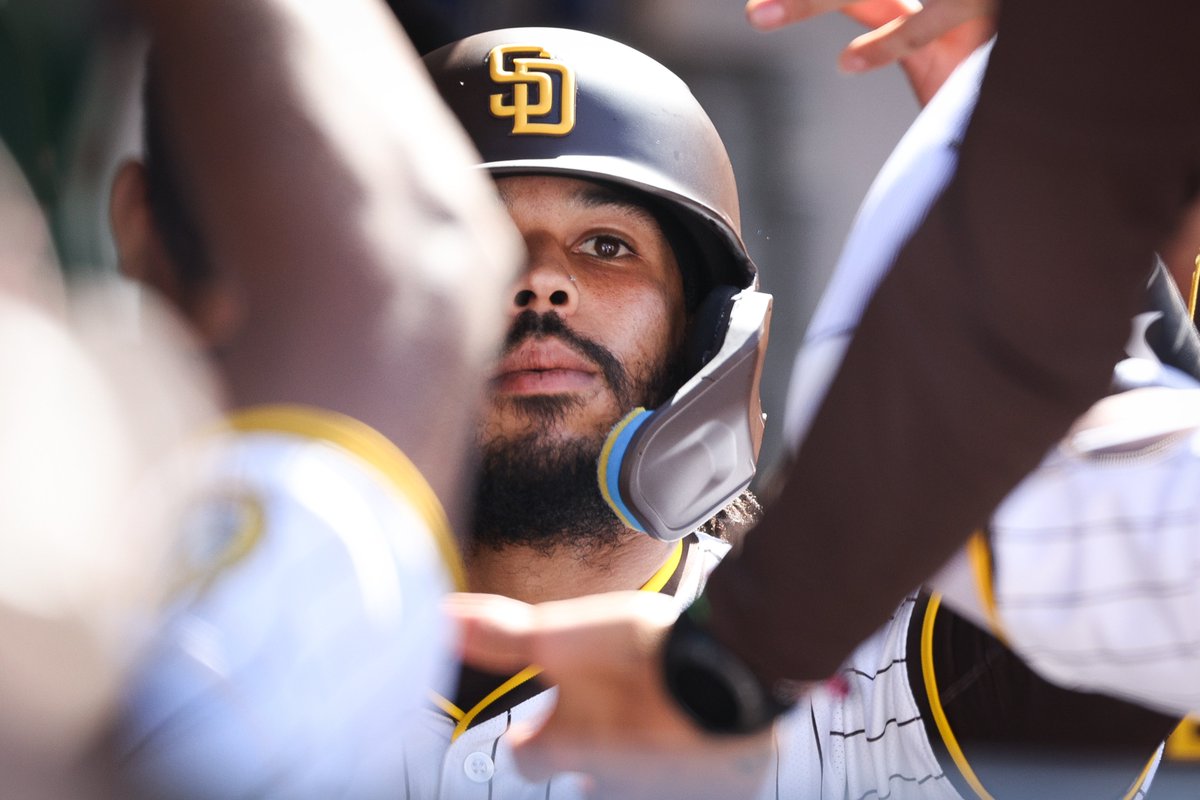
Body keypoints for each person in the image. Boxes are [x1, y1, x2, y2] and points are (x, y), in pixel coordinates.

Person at [413, 25, 1178, 800]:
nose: (542, 281)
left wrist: (1028, 147)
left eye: (606, 245)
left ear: (707, 336)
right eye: (484, 242)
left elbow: (1151, 531)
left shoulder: (898, 673)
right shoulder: (286, 642)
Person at [105, 0, 522, 796]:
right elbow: (422, 260)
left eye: (606, 247)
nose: (539, 293)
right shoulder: (265, 644)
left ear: (136, 227)